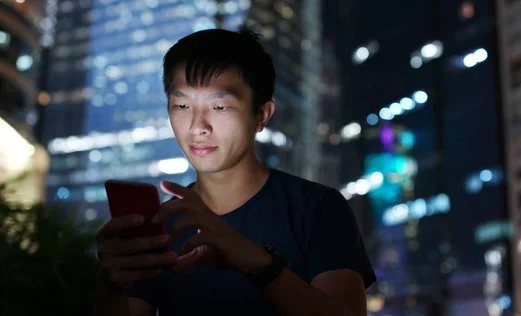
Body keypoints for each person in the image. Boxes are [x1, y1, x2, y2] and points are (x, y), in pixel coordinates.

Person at [92, 25, 376, 316]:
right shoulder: (164, 226)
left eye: (220, 107)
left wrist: (259, 264)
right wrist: (110, 285)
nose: (197, 126)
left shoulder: (316, 208)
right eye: (182, 104)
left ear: (261, 115)